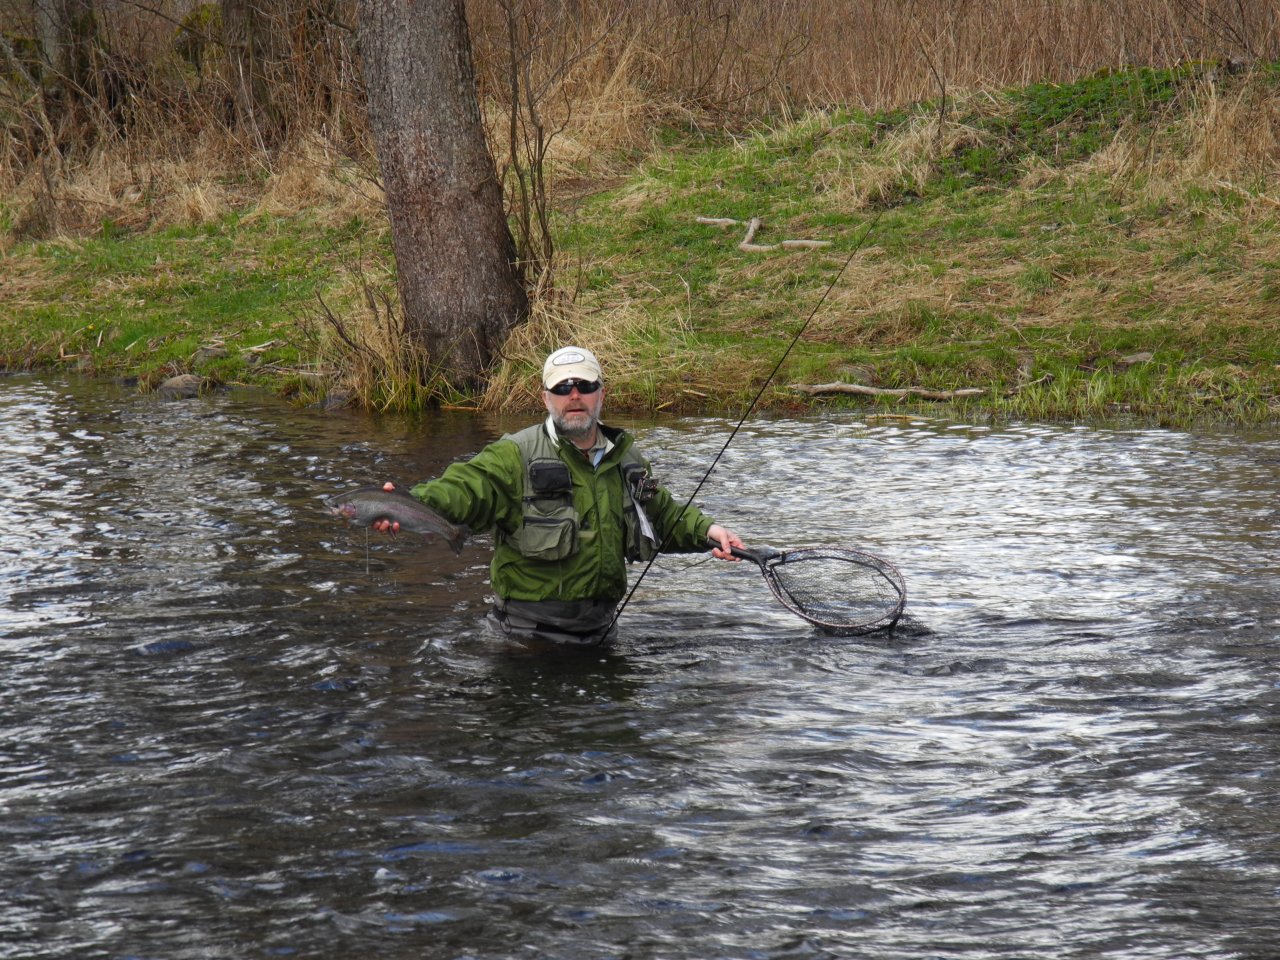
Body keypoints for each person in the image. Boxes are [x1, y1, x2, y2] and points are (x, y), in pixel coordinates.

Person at [376, 346, 744, 648]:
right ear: (546, 398)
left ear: (601, 392)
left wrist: (710, 532)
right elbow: (463, 489)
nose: (573, 396)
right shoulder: (513, 455)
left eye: (583, 385)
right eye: (562, 387)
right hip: (525, 641)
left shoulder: (626, 458)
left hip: (602, 634)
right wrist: (408, 503)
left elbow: (661, 518)